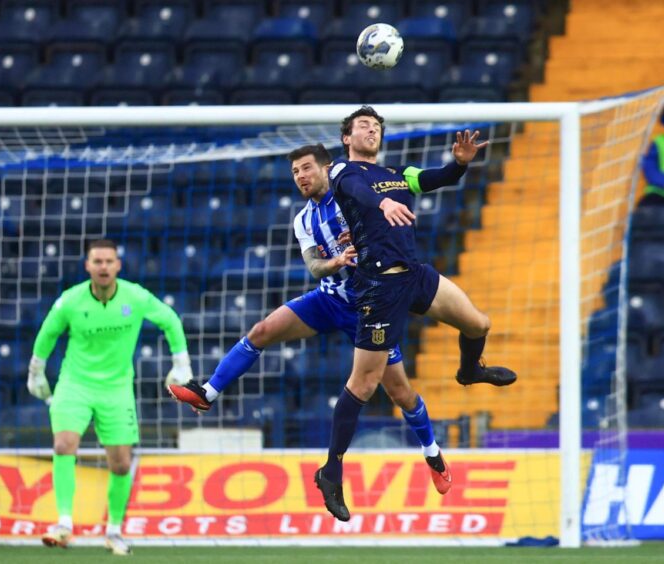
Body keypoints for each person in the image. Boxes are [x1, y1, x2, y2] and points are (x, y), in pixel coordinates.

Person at [167, 144, 453, 506]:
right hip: (329, 299)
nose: (301, 177)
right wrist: (333, 262)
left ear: (326, 169)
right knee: (262, 330)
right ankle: (207, 393)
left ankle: (432, 453)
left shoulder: (355, 197)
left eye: (306, 168)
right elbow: (314, 266)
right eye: (295, 172)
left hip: (371, 306)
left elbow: (390, 233)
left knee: (401, 394)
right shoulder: (303, 219)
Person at [314, 106, 517, 521]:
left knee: (479, 323)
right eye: (363, 126)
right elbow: (357, 192)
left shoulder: (398, 174)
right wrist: (382, 203)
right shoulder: (341, 172)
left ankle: (469, 371)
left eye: (376, 127)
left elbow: (436, 179)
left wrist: (458, 165)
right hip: (380, 286)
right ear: (347, 138)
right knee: (365, 383)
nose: (371, 130)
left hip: (416, 275)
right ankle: (331, 471)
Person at [27, 239, 193, 555]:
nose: (103, 267)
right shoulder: (70, 301)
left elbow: (170, 319)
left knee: (120, 464)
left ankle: (114, 532)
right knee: (63, 445)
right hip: (74, 385)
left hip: (116, 390)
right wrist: (36, 370)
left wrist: (181, 362)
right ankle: (63, 524)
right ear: (87, 266)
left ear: (118, 265)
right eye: (97, 261)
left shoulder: (135, 296)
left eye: (109, 261)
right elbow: (47, 334)